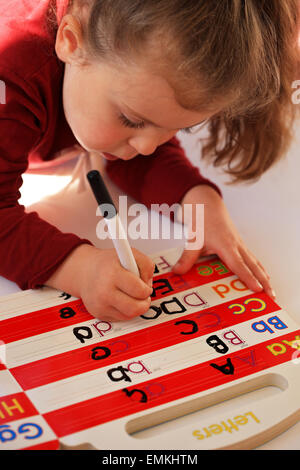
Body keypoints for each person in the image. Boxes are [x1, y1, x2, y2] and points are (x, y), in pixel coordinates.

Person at [0, 0, 299, 321]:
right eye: (131, 120)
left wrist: (200, 203)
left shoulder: (121, 63)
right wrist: (77, 267)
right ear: (70, 42)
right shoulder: (12, 74)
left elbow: (137, 157)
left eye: (179, 128)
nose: (147, 146)